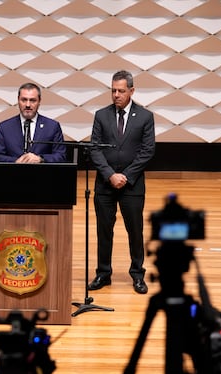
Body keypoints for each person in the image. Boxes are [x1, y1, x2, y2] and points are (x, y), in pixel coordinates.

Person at [87, 70, 155, 295]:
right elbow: (94, 149)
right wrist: (110, 175)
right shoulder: (101, 115)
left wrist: (125, 176)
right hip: (105, 185)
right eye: (113, 90)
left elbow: (147, 151)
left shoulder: (145, 117)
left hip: (132, 185)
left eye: (121, 91)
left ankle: (137, 274)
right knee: (104, 230)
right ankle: (103, 273)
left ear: (132, 91)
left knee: (134, 230)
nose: (116, 95)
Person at [0, 82, 66, 163]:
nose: (28, 104)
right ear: (18, 100)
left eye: (32, 100)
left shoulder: (52, 126)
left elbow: (60, 155)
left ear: (39, 101)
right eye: (24, 100)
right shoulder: (5, 127)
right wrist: (15, 161)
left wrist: (41, 159)